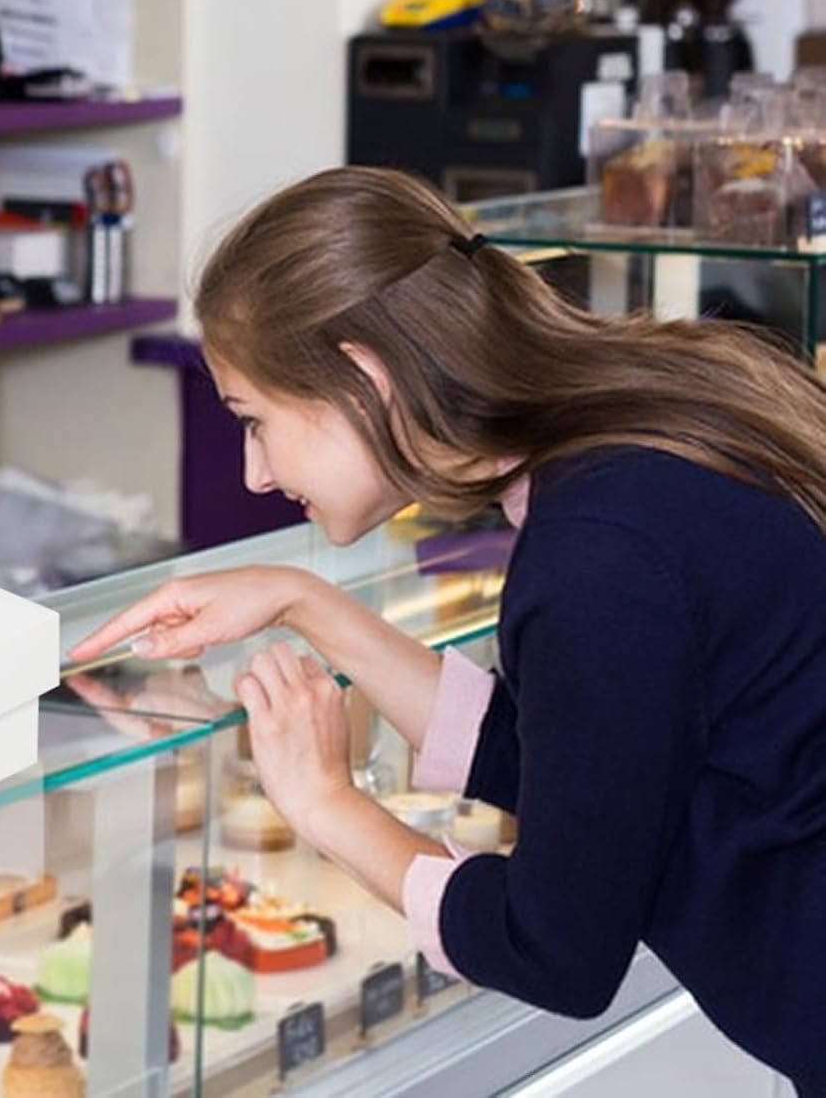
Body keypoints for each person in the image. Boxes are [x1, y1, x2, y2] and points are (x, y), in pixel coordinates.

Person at [72, 165, 826, 1096]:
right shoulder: (635, 441)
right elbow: (589, 766)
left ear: (363, 377)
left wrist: (326, 805)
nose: (254, 473)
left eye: (254, 421)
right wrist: (305, 602)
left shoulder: (598, 551)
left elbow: (558, 950)